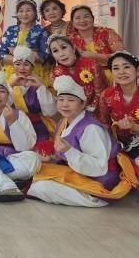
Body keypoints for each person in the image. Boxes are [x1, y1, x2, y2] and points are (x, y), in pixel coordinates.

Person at [28, 76, 138, 207]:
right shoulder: (63, 122)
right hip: (78, 172)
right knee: (34, 169)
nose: (65, 104)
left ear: (83, 104)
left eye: (71, 100)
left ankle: (91, 198)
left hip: (98, 181)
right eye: (61, 100)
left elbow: (99, 167)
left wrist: (69, 151)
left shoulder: (91, 128)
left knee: (42, 187)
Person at [0, 70, 41, 203]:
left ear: (8, 95)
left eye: (2, 91)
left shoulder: (19, 115)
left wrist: (12, 122)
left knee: (33, 159)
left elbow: (25, 147)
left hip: (12, 159)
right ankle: (8, 185)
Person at [9, 46, 57, 151]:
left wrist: (40, 87)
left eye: (26, 64)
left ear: (32, 66)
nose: (21, 68)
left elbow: (50, 111)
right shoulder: (9, 82)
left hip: (37, 126)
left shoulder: (37, 82)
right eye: (18, 64)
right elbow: (0, 107)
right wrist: (11, 85)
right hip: (16, 125)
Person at [49, 34, 107, 116]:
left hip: (95, 112)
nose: (61, 54)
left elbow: (101, 94)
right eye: (55, 51)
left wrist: (91, 111)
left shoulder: (92, 65)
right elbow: (61, 99)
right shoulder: (55, 74)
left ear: (73, 48)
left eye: (64, 47)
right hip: (71, 114)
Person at [98, 51, 139, 167]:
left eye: (126, 67)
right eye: (116, 68)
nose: (121, 72)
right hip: (117, 143)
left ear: (137, 71)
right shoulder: (107, 95)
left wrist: (133, 127)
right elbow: (104, 124)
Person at [0, 0, 50, 84]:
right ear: (17, 14)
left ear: (35, 13)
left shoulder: (41, 30)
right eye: (21, 11)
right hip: (10, 73)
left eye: (28, 10)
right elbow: (0, 54)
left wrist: (16, 52)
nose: (24, 14)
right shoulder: (10, 30)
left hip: (33, 73)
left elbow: (45, 56)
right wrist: (20, 60)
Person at [67, 5, 124, 81]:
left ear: (93, 18)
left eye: (86, 16)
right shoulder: (70, 40)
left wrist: (92, 55)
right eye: (77, 18)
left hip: (114, 77)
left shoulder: (107, 32)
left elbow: (121, 56)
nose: (82, 20)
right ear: (72, 22)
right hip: (84, 79)